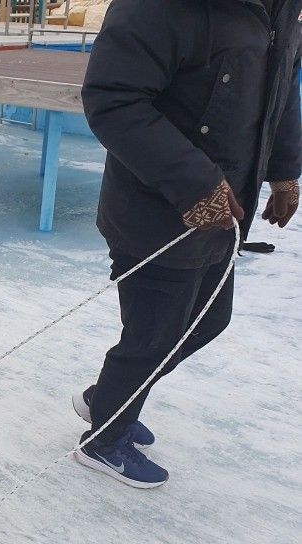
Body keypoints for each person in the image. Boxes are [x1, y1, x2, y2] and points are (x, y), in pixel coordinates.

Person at [73, 0, 301, 488]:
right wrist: (194, 183)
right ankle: (104, 439)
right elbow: (114, 100)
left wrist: (284, 173)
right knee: (153, 335)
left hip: (224, 208)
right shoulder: (157, 7)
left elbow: (279, 93)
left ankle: (109, 398)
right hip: (157, 211)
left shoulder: (280, 9)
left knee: (208, 320)